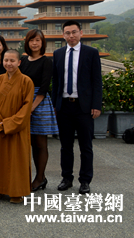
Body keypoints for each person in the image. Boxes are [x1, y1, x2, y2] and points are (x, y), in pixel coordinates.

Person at [52, 20, 102, 195]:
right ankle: (67, 178)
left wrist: (96, 105)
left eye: (74, 32)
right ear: (63, 35)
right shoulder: (58, 54)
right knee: (65, 146)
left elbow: (97, 81)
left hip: (84, 107)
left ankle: (85, 180)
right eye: (67, 33)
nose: (71, 36)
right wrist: (55, 105)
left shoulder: (91, 53)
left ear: (81, 33)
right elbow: (56, 82)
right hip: (64, 106)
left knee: (85, 146)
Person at [0, 49, 34, 204]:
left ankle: (17, 192)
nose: (8, 63)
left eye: (12, 60)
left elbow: (27, 107)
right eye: (6, 60)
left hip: (16, 128)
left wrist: (9, 123)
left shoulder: (26, 81)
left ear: (19, 62)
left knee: (17, 159)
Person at [20, 29, 58, 192]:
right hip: (23, 101)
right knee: (26, 142)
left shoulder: (46, 61)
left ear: (42, 43)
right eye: (31, 40)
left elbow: (43, 88)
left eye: (38, 40)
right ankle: (25, 177)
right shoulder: (22, 60)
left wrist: (31, 107)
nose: (35, 43)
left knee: (40, 143)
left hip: (39, 103)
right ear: (27, 42)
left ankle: (40, 177)